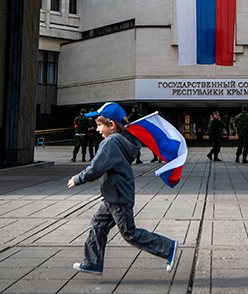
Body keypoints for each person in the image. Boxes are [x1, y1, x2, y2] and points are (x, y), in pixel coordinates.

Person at [67, 102, 177, 275]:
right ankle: (92, 263)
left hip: (118, 197)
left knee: (129, 233)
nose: (97, 130)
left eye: (99, 125)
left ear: (111, 125)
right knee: (98, 225)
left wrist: (77, 178)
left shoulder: (111, 143)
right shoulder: (122, 140)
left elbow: (96, 168)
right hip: (114, 195)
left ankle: (167, 247)